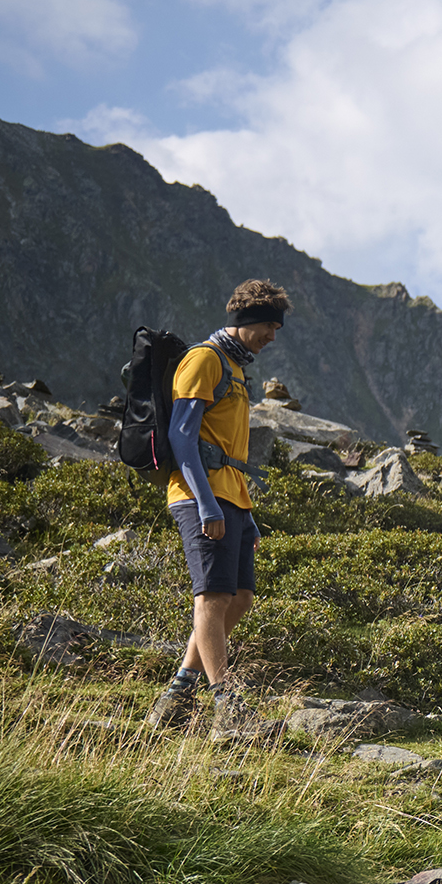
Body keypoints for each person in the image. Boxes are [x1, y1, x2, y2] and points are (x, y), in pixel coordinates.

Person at [148, 279, 286, 739]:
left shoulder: (236, 368)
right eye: (268, 325)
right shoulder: (205, 360)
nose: (273, 335)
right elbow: (182, 438)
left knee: (239, 597)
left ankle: (176, 693)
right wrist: (207, 504)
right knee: (212, 597)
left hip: (233, 497)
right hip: (200, 495)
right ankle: (226, 707)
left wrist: (245, 514)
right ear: (247, 322)